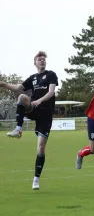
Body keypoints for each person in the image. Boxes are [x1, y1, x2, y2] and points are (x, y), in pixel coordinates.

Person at [0, 51, 58, 190]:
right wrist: (3, 84)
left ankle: (36, 179)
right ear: (35, 63)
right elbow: (18, 88)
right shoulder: (32, 78)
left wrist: (39, 100)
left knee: (41, 147)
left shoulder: (51, 75)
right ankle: (18, 129)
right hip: (34, 109)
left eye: (44, 59)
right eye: (39, 59)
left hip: (45, 114)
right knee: (21, 97)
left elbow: (51, 92)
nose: (42, 60)